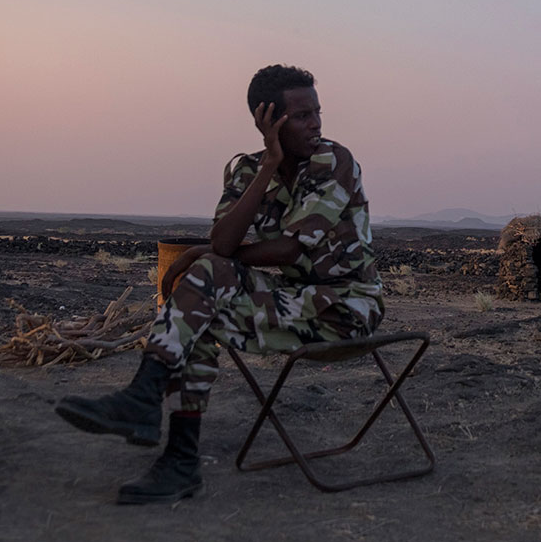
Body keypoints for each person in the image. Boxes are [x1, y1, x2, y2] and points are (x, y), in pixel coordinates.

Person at [56, 65, 384, 504]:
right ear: (269, 120)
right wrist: (269, 164)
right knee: (201, 311)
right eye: (303, 115)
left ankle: (147, 404)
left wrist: (204, 256)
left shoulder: (334, 162)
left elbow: (288, 250)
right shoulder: (248, 171)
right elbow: (225, 241)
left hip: (346, 310)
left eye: (317, 113)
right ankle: (177, 458)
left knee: (208, 277)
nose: (316, 124)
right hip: (295, 303)